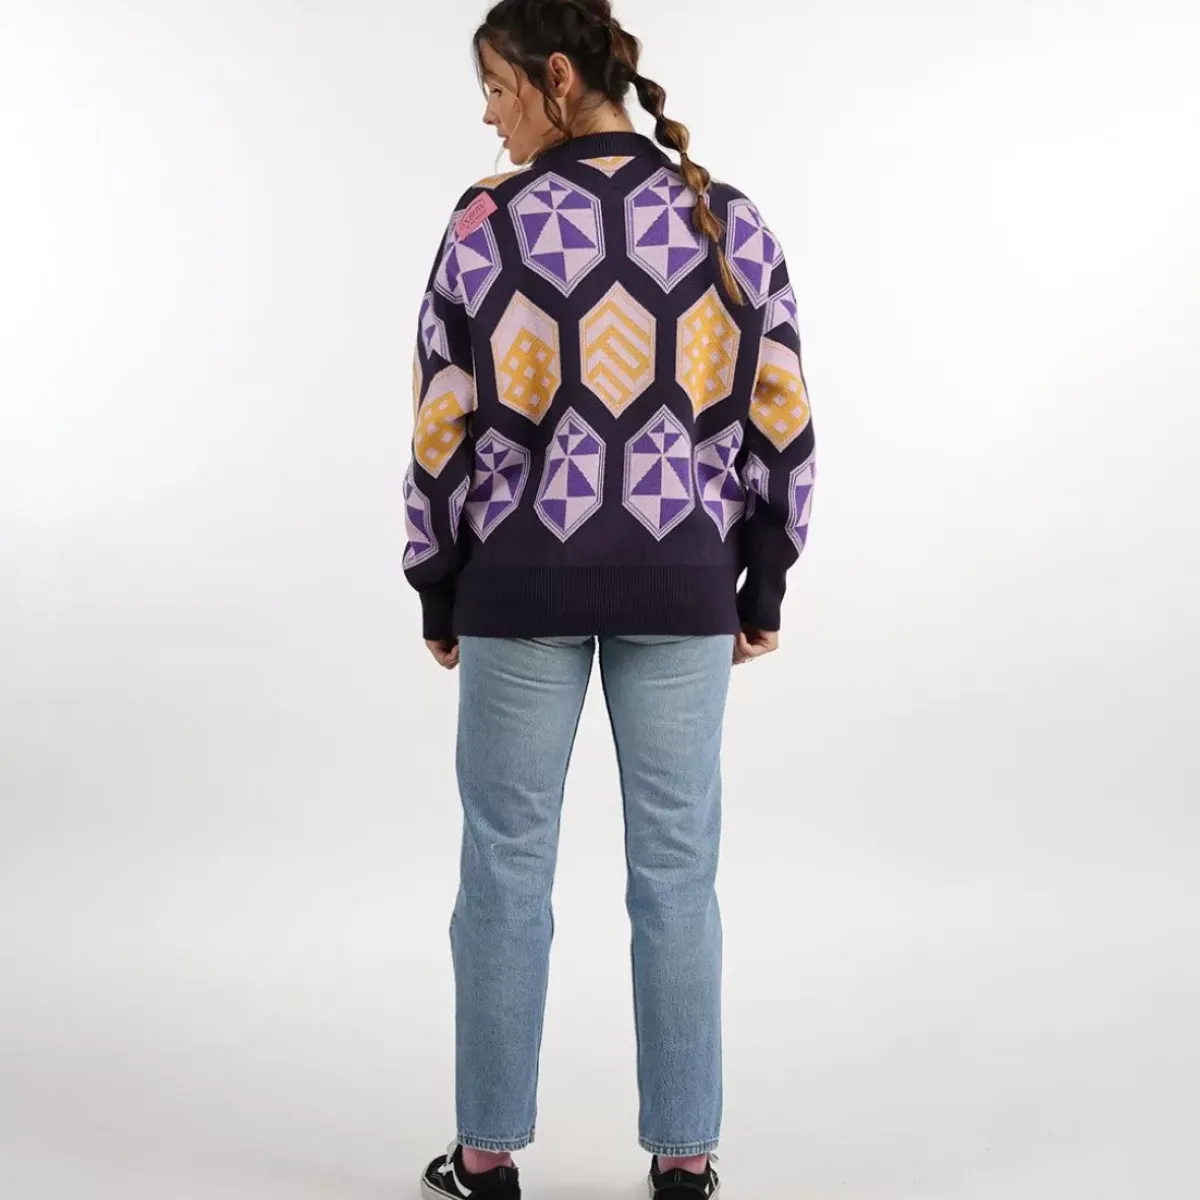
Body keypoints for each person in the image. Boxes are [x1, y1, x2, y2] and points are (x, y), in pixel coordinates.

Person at [404, 2, 816, 1196]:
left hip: (517, 581)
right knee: (678, 875)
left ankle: (487, 1156)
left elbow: (441, 418)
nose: (489, 118)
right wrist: (763, 574)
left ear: (555, 76)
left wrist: (438, 583)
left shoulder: (486, 225)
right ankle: (684, 1160)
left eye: (496, 89)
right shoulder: (725, 217)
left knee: (504, 869)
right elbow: (780, 410)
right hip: (685, 580)